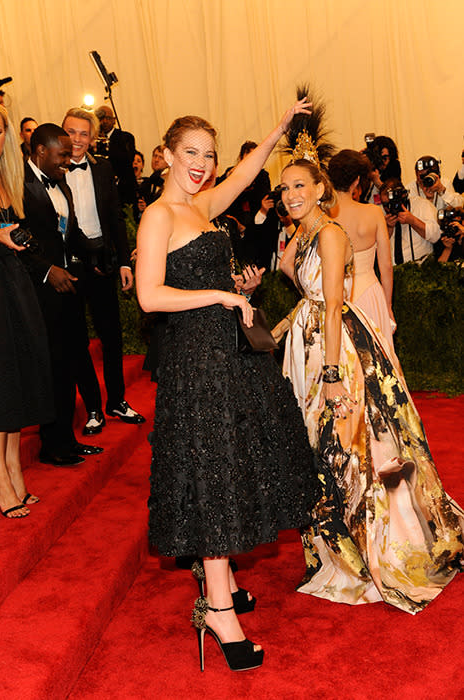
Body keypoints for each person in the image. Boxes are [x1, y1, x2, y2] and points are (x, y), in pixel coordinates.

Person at [135, 99, 321, 671]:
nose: (202, 163)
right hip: (196, 364)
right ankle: (219, 611)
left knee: (230, 467)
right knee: (214, 477)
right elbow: (150, 296)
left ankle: (224, 582)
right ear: (166, 155)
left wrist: (279, 130)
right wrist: (218, 294)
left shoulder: (200, 205)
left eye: (209, 155)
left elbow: (244, 176)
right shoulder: (161, 215)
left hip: (227, 358)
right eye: (189, 152)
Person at [277, 94, 463, 615]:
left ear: (322, 189)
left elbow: (334, 306)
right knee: (324, 447)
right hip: (312, 341)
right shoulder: (307, 230)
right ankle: (336, 550)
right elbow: (293, 277)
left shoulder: (332, 233)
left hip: (336, 351)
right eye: (286, 186)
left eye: (301, 186)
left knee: (352, 447)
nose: (292, 194)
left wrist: (334, 375)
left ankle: (368, 551)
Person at [22, 123, 103, 466]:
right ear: (41, 151)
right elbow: (15, 241)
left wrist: (101, 255)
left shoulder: (62, 183)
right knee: (52, 367)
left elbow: (70, 235)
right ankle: (51, 444)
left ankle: (66, 440)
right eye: (62, 155)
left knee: (69, 363)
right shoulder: (18, 185)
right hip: (39, 290)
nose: (67, 162)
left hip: (68, 286)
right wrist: (46, 270)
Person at [62, 108, 145, 434]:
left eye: (83, 134)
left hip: (103, 265)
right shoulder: (50, 171)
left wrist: (125, 261)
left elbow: (114, 220)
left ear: (93, 138)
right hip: (70, 267)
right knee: (78, 341)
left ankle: (117, 401)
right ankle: (93, 408)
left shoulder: (104, 169)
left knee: (111, 337)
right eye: (71, 132)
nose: (77, 140)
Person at [0, 105, 53, 517]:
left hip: (12, 282)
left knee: (17, 375)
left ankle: (14, 468)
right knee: (1, 379)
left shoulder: (6, 179)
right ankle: (2, 482)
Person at [328, 149, 396, 352]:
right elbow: (386, 267)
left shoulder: (322, 215)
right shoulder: (374, 213)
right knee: (377, 362)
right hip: (370, 293)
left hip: (334, 294)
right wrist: (388, 306)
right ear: (357, 180)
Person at [379, 178, 441, 264]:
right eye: (385, 204)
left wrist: (413, 221)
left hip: (420, 268)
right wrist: (388, 227)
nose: (388, 207)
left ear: (403, 195)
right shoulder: (380, 212)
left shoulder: (422, 205)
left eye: (391, 202)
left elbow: (435, 236)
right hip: (393, 270)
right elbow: (377, 246)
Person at [94, 105, 137, 211]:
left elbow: (127, 160)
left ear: (114, 120)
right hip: (104, 191)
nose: (104, 121)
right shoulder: (93, 140)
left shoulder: (125, 137)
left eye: (107, 118)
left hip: (124, 190)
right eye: (101, 118)